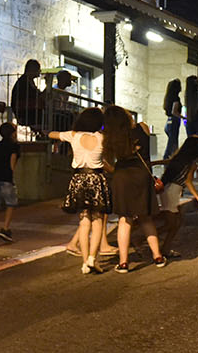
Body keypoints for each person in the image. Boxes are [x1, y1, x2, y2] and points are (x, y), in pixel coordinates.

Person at [104, 105, 164, 271]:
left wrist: (115, 171)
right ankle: (157, 256)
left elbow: (108, 164)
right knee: (146, 218)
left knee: (125, 219)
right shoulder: (142, 127)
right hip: (142, 176)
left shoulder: (112, 137)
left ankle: (123, 262)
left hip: (122, 177)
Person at [51, 107, 110, 275]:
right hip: (97, 179)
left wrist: (56, 133)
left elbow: (52, 135)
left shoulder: (74, 135)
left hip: (78, 180)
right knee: (97, 220)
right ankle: (93, 257)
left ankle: (85, 262)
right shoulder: (102, 138)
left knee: (84, 221)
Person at [152, 137, 198, 257]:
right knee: (172, 224)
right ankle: (145, 239)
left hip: (169, 190)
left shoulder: (179, 158)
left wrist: (153, 163)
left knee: (177, 222)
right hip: (172, 192)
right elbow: (188, 181)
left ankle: (165, 248)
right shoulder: (191, 163)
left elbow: (167, 163)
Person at [9, 60, 43, 135]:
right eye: (38, 69)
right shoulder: (24, 83)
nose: (39, 71)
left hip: (28, 110)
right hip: (26, 112)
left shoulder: (26, 81)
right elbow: (34, 96)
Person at [162, 78, 183, 155]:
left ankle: (172, 159)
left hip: (169, 121)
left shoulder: (168, 98)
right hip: (174, 121)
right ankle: (166, 159)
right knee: (172, 143)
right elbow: (174, 111)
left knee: (172, 143)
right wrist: (183, 117)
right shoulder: (176, 98)